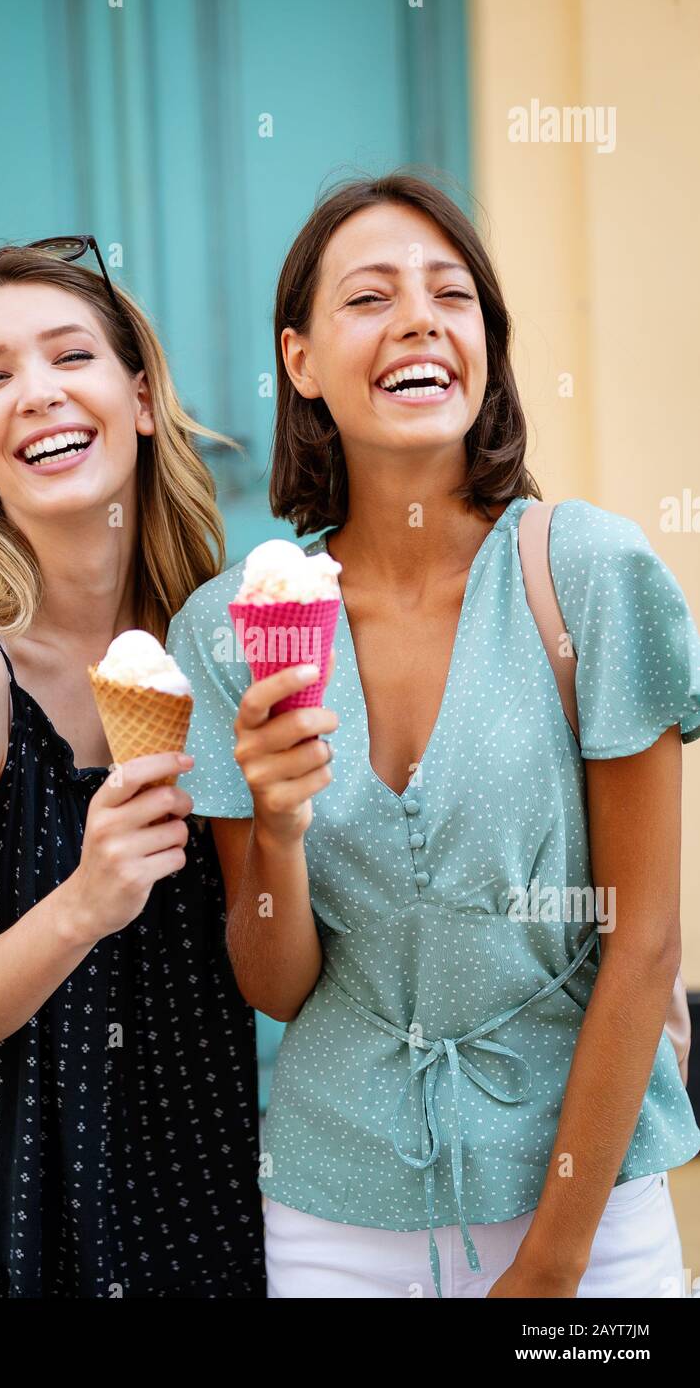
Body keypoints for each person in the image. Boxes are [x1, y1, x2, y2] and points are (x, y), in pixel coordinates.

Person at [166, 173, 700, 1298]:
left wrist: (550, 1264)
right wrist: (274, 823)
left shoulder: (588, 576)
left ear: (483, 349)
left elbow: (643, 941)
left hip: (586, 1220)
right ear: (299, 361)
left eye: (449, 294)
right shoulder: (231, 630)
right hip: (329, 1218)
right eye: (368, 297)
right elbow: (273, 980)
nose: (417, 317)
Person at [0, 241, 266, 1298]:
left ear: (140, 396)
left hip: (177, 1193)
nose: (35, 393)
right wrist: (85, 902)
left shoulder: (207, 645)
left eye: (69, 355)